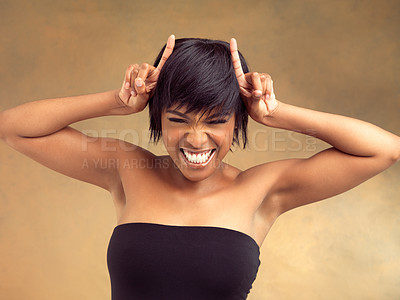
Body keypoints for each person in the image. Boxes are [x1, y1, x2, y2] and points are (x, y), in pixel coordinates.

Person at [0, 34, 399, 300]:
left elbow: (385, 150)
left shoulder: (263, 190)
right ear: (157, 118)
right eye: (177, 120)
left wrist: (277, 114)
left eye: (215, 120)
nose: (195, 139)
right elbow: (15, 129)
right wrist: (116, 102)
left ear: (237, 119)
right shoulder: (127, 169)